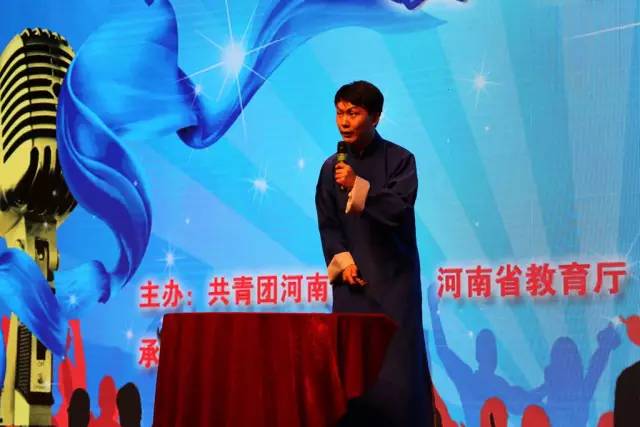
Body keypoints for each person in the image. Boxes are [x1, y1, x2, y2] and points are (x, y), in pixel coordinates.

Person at [315, 80, 432, 426]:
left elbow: (397, 209)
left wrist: (357, 185)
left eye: (353, 113)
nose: (344, 121)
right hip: (353, 289)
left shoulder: (400, 160)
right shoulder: (330, 168)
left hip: (394, 286)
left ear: (376, 117)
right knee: (351, 375)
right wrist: (343, 261)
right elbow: (328, 223)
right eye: (339, 113)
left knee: (397, 375)